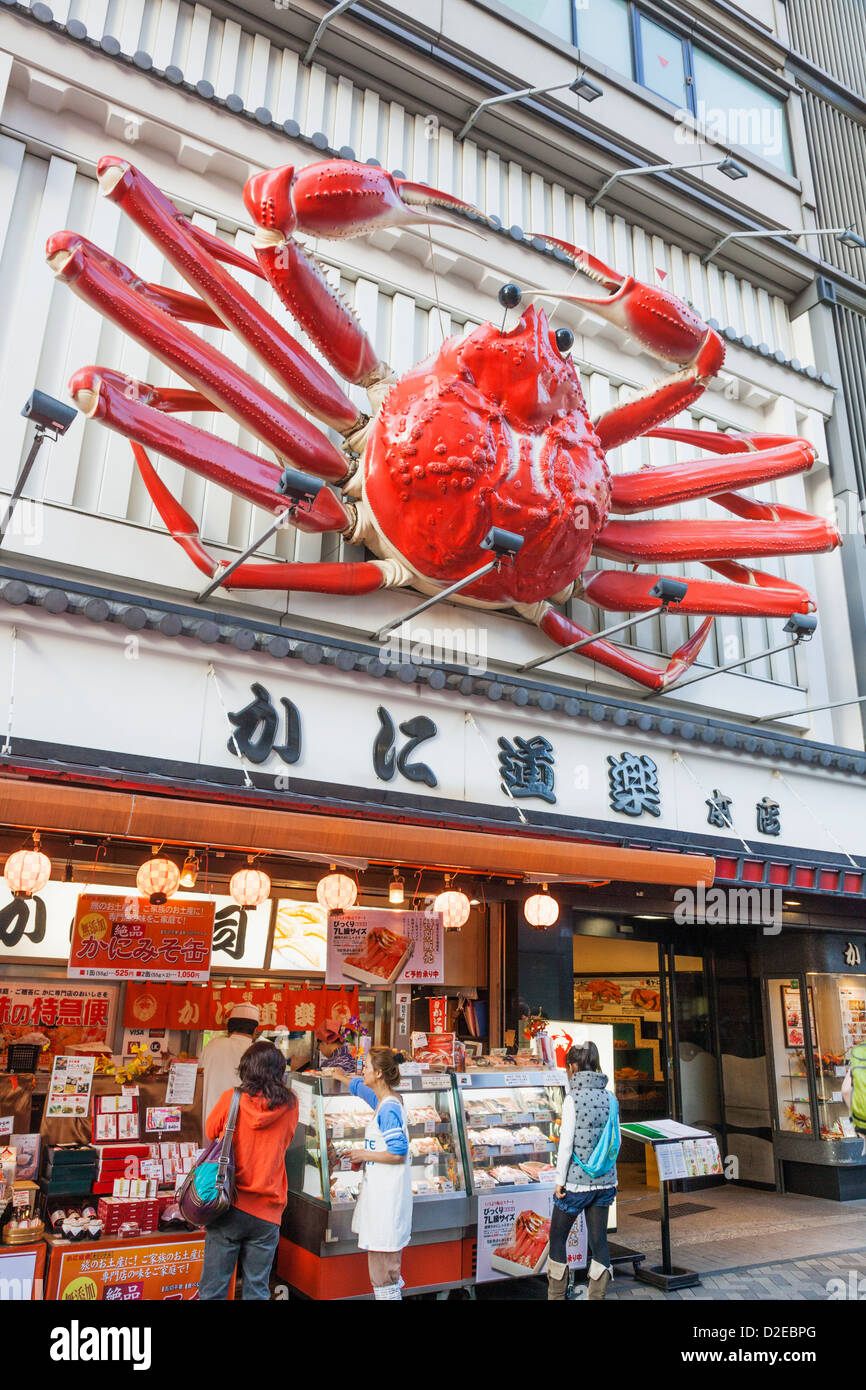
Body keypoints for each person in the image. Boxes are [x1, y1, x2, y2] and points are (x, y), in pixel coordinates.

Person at [198, 1040, 298, 1301]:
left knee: (214, 1289)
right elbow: (286, 1140)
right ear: (278, 1071)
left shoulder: (232, 1098)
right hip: (268, 1210)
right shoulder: (290, 1105)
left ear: (247, 1069)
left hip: (227, 1203)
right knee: (257, 1288)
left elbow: (210, 1132)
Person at [324, 1046, 412, 1299]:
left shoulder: (389, 1109)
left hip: (387, 1199)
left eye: (367, 1067)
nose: (363, 1070)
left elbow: (398, 1152)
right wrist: (341, 1077)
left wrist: (363, 1155)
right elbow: (362, 1089)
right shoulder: (385, 1100)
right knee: (385, 1267)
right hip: (383, 1197)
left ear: (380, 1073)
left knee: (383, 1271)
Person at [548, 1041, 618, 1302]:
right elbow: (615, 1141)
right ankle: (596, 1297)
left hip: (576, 1184)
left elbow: (565, 1145)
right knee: (599, 1241)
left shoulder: (572, 1098)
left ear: (573, 1067)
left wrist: (559, 1181)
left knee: (557, 1237)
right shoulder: (611, 1097)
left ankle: (556, 1297)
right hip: (605, 1181)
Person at [199, 1002, 259, 1138]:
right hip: (243, 1127)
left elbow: (198, 1075)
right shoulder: (257, 1052)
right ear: (255, 1030)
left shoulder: (213, 1045)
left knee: (210, 1157)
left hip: (210, 1124)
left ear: (229, 1028)